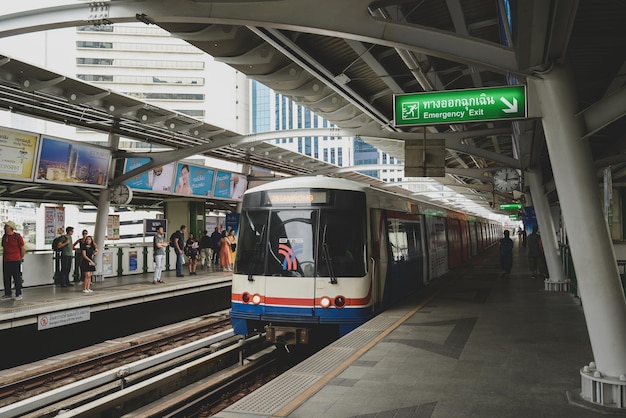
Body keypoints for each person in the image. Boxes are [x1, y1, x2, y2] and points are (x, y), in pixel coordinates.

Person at [2, 221, 25, 301]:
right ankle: (8, 293)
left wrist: (20, 257)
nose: (4, 228)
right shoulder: (4, 237)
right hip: (6, 260)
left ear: (10, 228)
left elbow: (23, 248)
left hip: (15, 260)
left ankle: (18, 293)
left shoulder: (17, 236)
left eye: (6, 227)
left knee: (17, 277)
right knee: (6, 277)